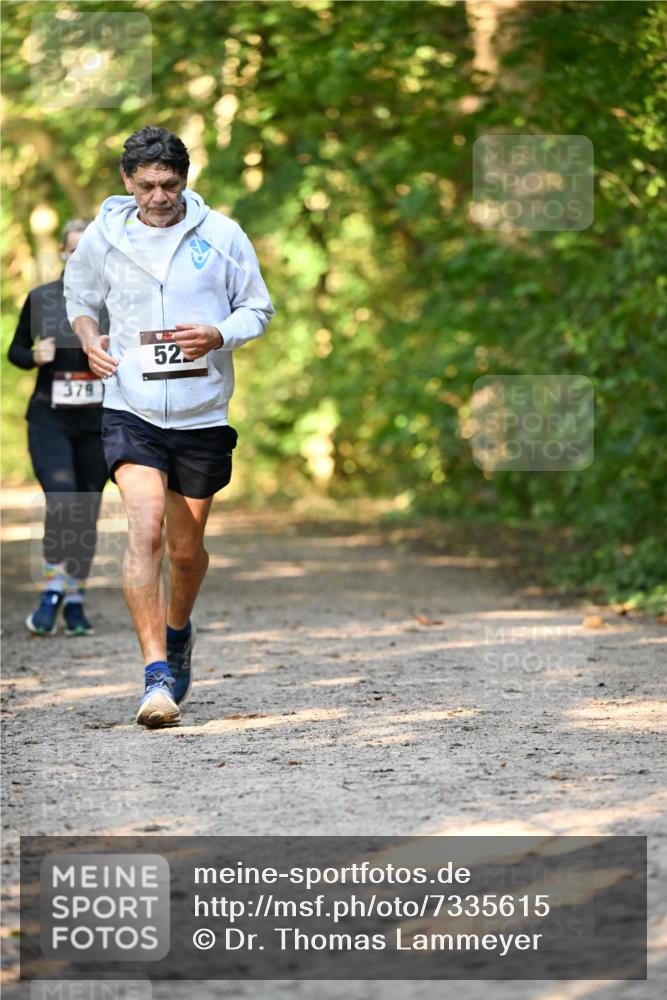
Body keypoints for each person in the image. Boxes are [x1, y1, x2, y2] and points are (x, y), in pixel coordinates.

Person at [64, 125, 274, 728]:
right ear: (128, 181)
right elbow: (79, 300)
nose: (160, 196)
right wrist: (88, 341)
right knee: (146, 530)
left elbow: (258, 308)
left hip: (201, 411)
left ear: (186, 179)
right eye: (148, 184)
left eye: (171, 184)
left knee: (185, 553)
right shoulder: (103, 238)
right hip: (129, 406)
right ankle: (156, 675)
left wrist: (218, 334)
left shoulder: (223, 235)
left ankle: (178, 633)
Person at [8, 220, 109, 637]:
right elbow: (15, 351)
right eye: (72, 250)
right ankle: (53, 591)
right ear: (64, 254)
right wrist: (34, 356)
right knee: (62, 500)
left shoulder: (115, 301)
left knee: (86, 510)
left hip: (97, 422)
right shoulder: (42, 299)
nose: (78, 257)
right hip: (50, 419)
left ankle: (76, 599)